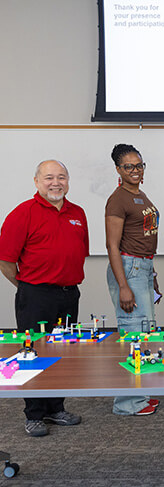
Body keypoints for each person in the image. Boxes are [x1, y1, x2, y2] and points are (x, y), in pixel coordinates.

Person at [0, 160, 87, 437]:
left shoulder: (78, 213)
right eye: (49, 177)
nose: (56, 183)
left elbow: (79, 250)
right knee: (33, 353)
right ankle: (34, 414)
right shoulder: (23, 212)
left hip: (69, 293)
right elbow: (5, 260)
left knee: (62, 353)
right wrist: (26, 286)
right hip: (35, 295)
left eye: (61, 177)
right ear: (37, 181)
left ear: (68, 181)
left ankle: (55, 409)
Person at [105, 143, 161, 416]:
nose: (135, 170)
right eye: (128, 166)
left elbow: (144, 238)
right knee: (133, 335)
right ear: (118, 169)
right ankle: (127, 403)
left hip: (142, 269)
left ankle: (139, 395)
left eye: (139, 165)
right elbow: (112, 246)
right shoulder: (118, 199)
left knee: (143, 332)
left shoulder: (140, 195)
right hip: (128, 269)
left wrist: (152, 274)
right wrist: (124, 286)